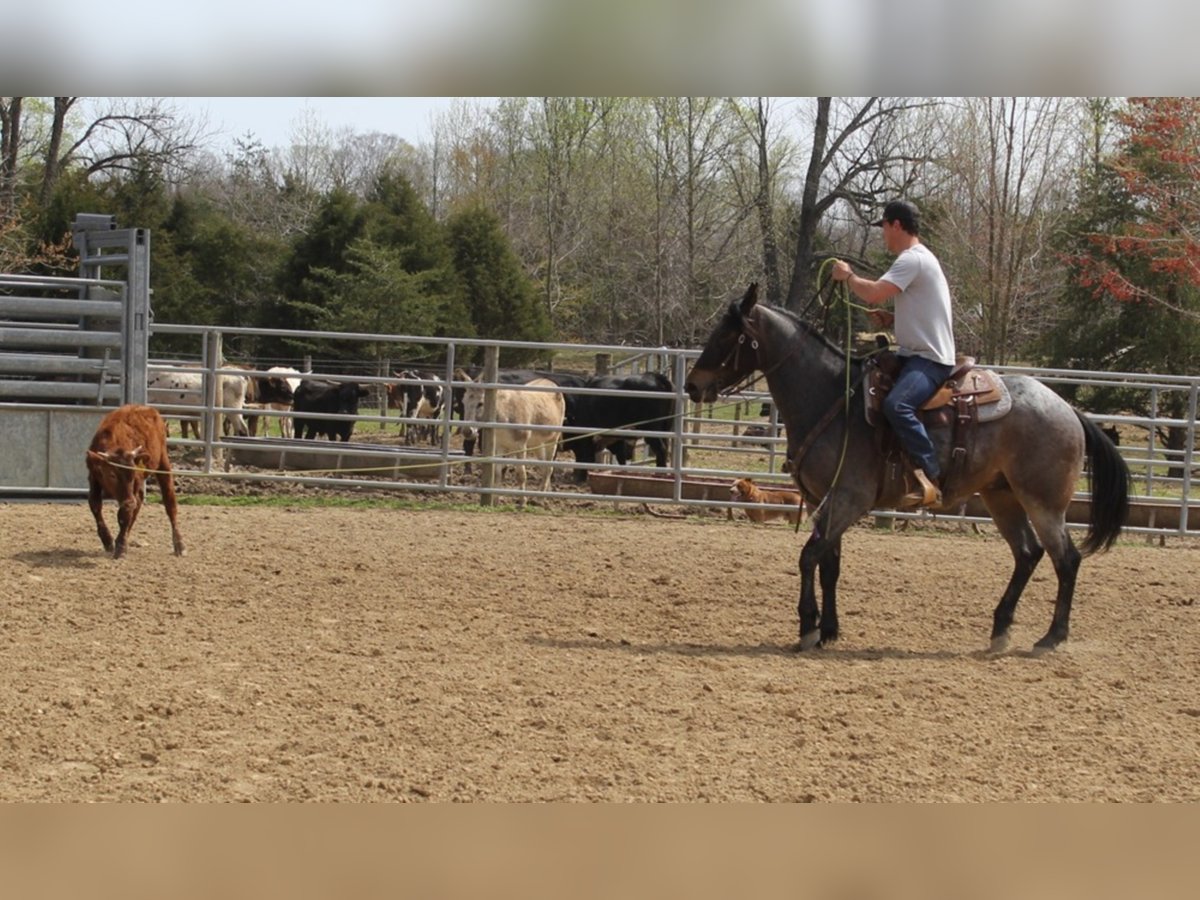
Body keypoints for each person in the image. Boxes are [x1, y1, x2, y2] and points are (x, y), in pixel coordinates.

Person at [831, 200, 956, 508]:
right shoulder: (920, 259)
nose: (883, 234)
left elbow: (873, 291)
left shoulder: (911, 260)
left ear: (896, 225)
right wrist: (894, 319)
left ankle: (931, 477)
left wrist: (848, 276)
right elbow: (926, 310)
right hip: (916, 354)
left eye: (884, 227)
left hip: (929, 359)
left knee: (897, 405)